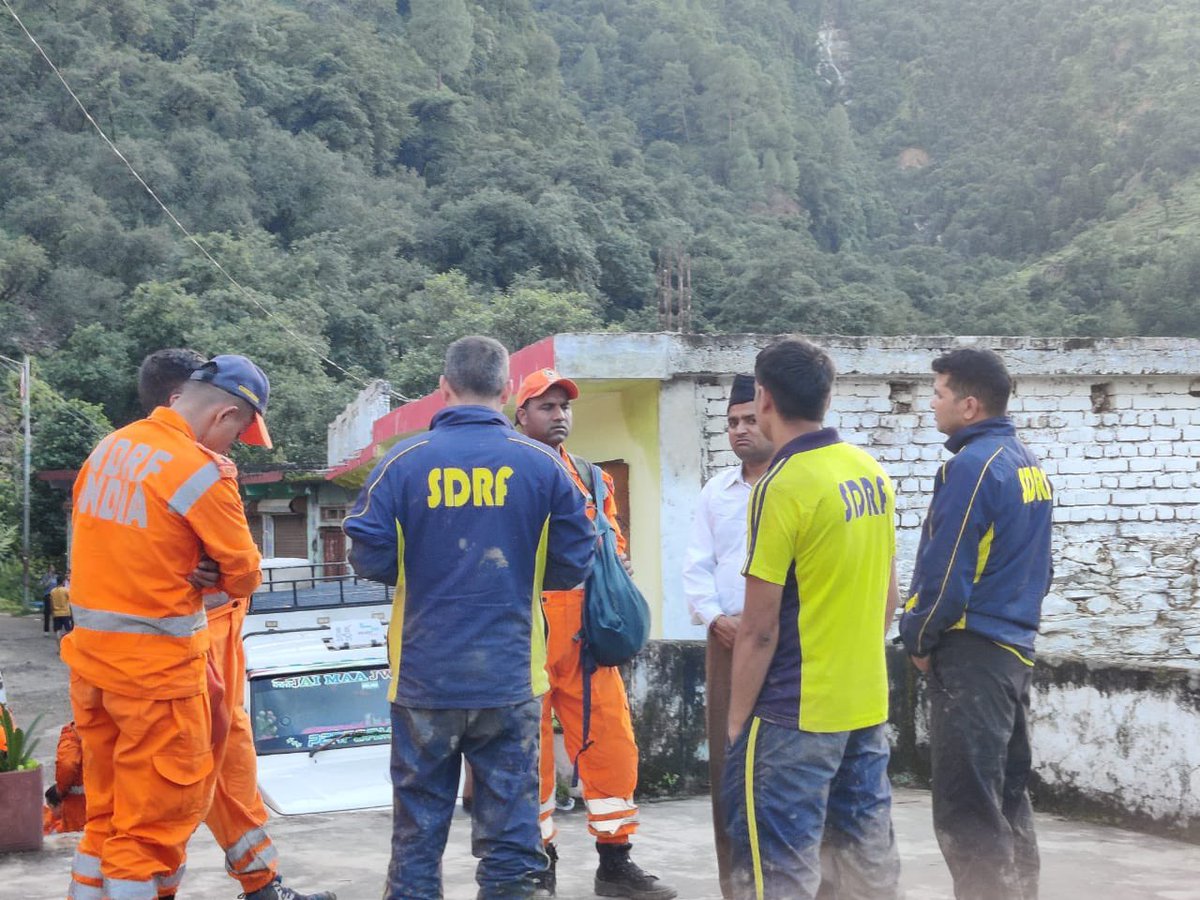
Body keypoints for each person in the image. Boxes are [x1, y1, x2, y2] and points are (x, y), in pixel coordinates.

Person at [343, 336, 595, 900]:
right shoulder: (544, 467)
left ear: (442, 389)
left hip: (423, 680)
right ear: (508, 392)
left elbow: (368, 554)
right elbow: (574, 561)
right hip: (510, 680)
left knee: (418, 836)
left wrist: (425, 569)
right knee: (511, 839)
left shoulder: (402, 464)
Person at [62, 354, 269, 900]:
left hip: (92, 670)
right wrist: (214, 570)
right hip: (156, 682)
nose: (232, 447)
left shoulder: (109, 449)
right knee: (151, 830)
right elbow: (245, 574)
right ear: (225, 416)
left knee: (107, 819)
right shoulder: (201, 469)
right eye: (238, 435)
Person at [136, 347, 336, 900]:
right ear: (187, 403)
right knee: (174, 783)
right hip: (182, 654)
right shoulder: (182, 469)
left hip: (208, 642)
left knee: (229, 770)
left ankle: (262, 884)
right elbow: (241, 568)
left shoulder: (137, 465)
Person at [722, 338, 902, 900]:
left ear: (766, 397)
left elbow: (759, 627)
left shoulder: (782, 484)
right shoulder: (869, 471)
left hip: (793, 712)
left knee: (782, 870)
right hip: (866, 704)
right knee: (866, 865)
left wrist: (736, 725)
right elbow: (890, 595)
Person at [514, 368, 677, 900]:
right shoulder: (505, 474)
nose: (559, 415)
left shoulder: (590, 475)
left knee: (611, 744)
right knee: (528, 756)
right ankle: (539, 864)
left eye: (564, 407)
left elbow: (615, 552)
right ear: (521, 414)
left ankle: (616, 861)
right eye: (546, 406)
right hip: (525, 631)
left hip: (586, 632)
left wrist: (618, 573)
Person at [899, 347, 1053, 900]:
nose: (931, 403)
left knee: (969, 810)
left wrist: (917, 635)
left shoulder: (972, 466)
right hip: (1012, 650)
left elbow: (947, 569)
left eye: (937, 393)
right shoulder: (1024, 461)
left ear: (968, 405)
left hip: (974, 654)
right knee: (1007, 799)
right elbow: (1043, 567)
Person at [680, 374, 774, 900]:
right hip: (726, 642)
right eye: (732, 422)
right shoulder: (716, 491)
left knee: (782, 767)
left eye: (749, 419)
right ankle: (735, 885)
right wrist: (716, 619)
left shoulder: (793, 482)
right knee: (729, 766)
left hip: (783, 642)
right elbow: (696, 565)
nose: (739, 430)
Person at [44, 721, 86, 834]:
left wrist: (61, 790)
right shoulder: (118, 723)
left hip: (79, 807)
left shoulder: (73, 733)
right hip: (117, 801)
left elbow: (67, 765)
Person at [41, 564, 57, 637]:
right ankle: (46, 631)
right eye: (52, 567)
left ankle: (56, 630)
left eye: (54, 567)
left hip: (55, 596)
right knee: (47, 614)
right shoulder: (46, 576)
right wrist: (49, 580)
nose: (53, 569)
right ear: (49, 569)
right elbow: (44, 586)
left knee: (56, 613)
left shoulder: (55, 576)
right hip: (47, 595)